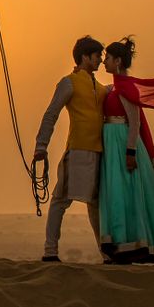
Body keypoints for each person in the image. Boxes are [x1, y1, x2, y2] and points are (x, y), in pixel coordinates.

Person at [99, 37, 154, 265]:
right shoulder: (118, 87)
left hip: (123, 146)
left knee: (131, 195)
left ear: (117, 60)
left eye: (107, 58)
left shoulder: (126, 88)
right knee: (123, 195)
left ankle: (141, 246)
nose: (104, 62)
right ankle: (126, 246)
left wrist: (130, 152)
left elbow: (135, 121)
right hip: (115, 145)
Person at [33, 36, 107, 262]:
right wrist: (41, 145)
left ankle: (106, 253)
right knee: (60, 200)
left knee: (96, 205)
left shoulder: (103, 89)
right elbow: (51, 113)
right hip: (76, 151)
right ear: (85, 57)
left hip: (99, 153)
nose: (100, 61)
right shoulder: (68, 83)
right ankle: (50, 251)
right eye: (97, 57)